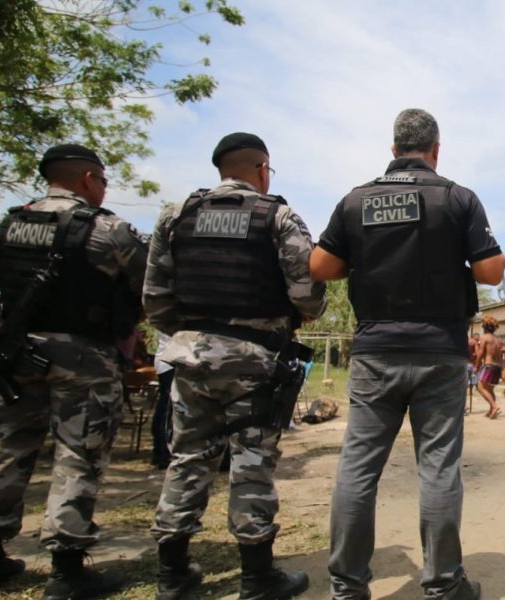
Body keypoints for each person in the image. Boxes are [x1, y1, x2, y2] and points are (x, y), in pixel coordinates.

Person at [310, 108, 504, 600]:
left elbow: (321, 265)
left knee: (358, 467)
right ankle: (443, 585)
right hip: (440, 350)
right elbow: (490, 272)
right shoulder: (458, 198)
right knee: (438, 467)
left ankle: (347, 588)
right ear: (435, 150)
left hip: (376, 351)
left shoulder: (356, 201)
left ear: (393, 150)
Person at [0, 144, 147, 599]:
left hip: (18, 353)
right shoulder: (106, 229)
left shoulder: (11, 224)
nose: (103, 189)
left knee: (7, 445)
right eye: (102, 180)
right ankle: (66, 567)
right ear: (87, 179)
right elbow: (150, 283)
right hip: (83, 355)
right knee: (79, 452)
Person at [145, 132, 327, 600]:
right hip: (255, 362)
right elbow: (307, 294)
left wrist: (193, 333)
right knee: (251, 463)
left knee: (187, 458)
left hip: (190, 358)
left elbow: (155, 300)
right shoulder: (277, 216)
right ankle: (257, 576)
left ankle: (172, 573)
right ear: (263, 169)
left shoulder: (177, 215)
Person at [150, 332, 175, 469]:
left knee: (164, 406)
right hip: (171, 360)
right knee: (167, 408)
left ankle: (160, 451)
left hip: (166, 360)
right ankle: (162, 452)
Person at [475, 316, 504, 418]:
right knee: (490, 389)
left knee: (480, 387)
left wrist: (477, 366)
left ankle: (494, 406)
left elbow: (480, 354)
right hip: (498, 366)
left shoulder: (484, 337)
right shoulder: (499, 340)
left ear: (484, 327)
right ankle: (492, 411)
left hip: (489, 366)